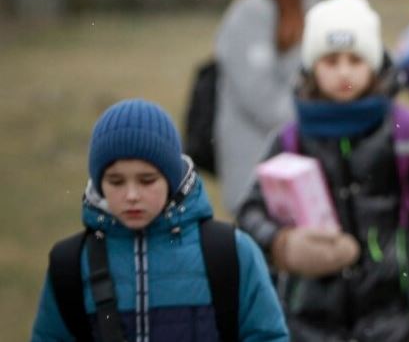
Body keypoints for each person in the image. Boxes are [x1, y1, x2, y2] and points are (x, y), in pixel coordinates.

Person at [237, 0, 409, 342]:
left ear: (373, 63)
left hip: (394, 321)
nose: (344, 72)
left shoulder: (408, 133)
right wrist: (283, 244)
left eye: (355, 60)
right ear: (312, 67)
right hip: (307, 323)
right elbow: (249, 212)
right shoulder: (290, 139)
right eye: (331, 61)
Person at [32, 99, 288, 341]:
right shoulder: (70, 265)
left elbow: (268, 334)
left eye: (147, 180)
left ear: (172, 179)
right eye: (116, 181)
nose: (132, 195)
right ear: (98, 184)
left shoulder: (231, 253)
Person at [213, 0, 351, 212]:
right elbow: (260, 97)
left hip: (319, 160)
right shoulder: (255, 8)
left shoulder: (333, 2)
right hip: (263, 165)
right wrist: (324, 122)